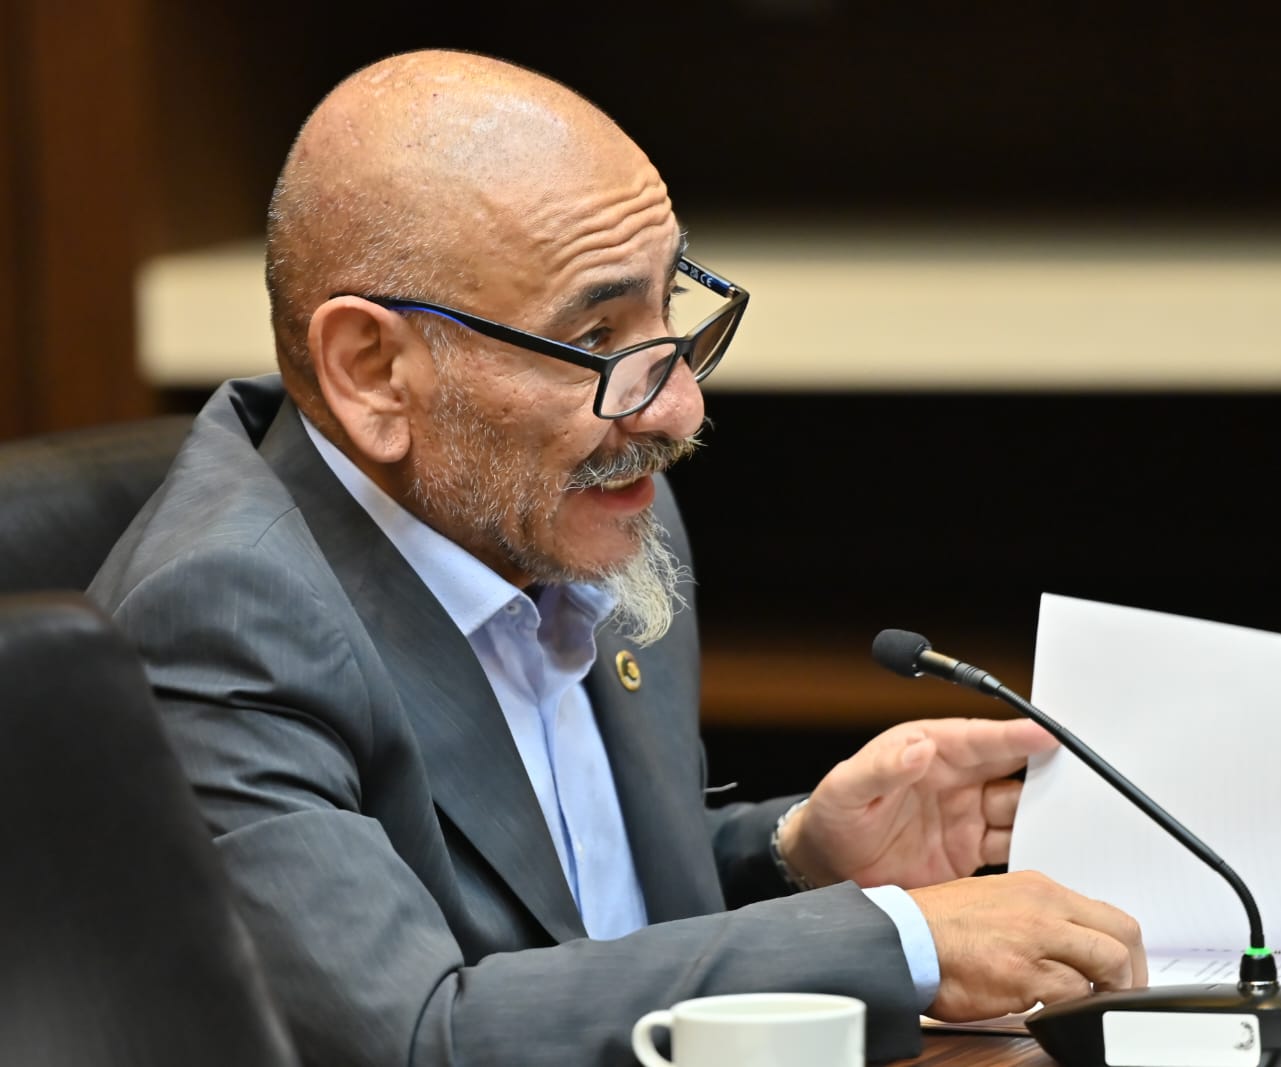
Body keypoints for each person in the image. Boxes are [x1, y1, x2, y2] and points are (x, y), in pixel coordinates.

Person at [90, 48, 1145, 1066]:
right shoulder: (220, 620)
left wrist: (792, 855)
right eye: (595, 340)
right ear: (373, 371)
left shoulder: (579, 500)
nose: (679, 407)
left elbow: (569, 907)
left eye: (670, 308)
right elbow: (413, 1032)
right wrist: (900, 940)